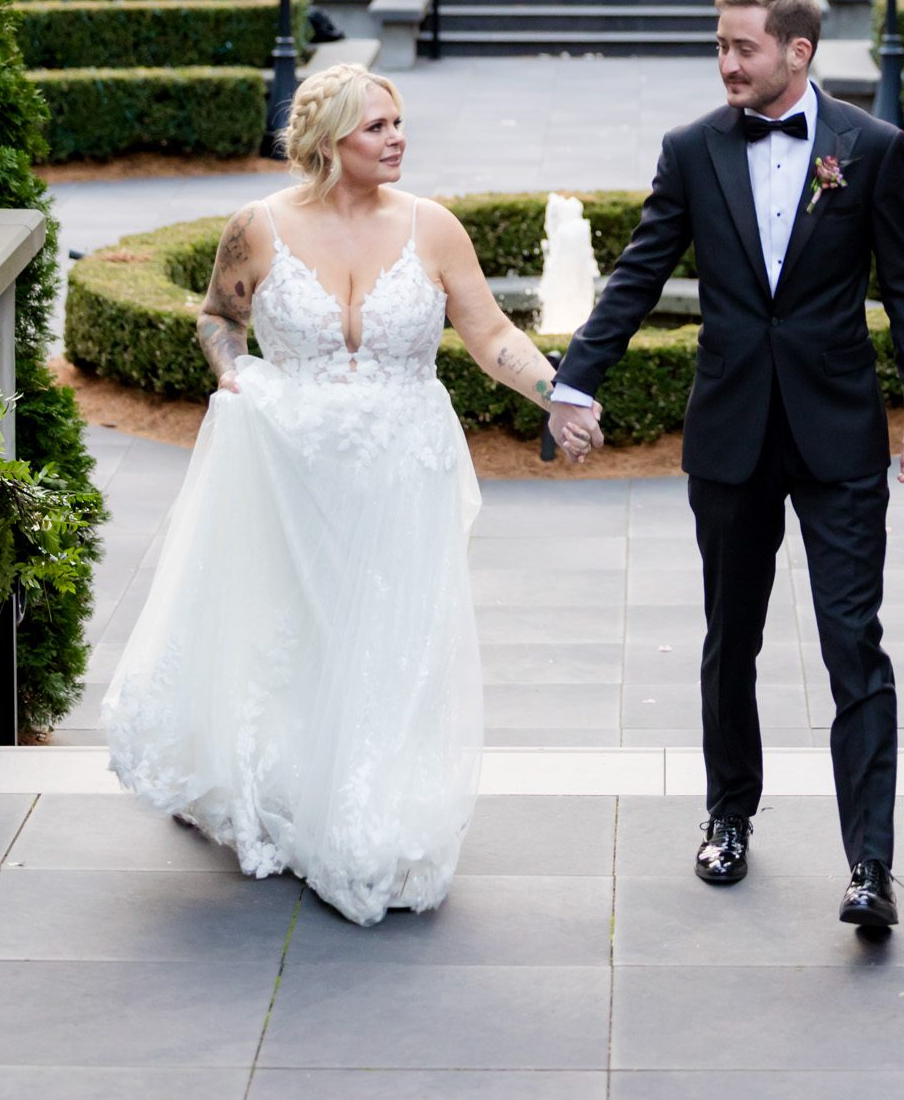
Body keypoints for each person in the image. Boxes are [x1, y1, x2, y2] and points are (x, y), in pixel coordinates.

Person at [101, 62, 601, 925]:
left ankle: (371, 805)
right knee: (297, 629)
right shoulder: (256, 228)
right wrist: (229, 378)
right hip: (289, 466)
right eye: (376, 127)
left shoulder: (434, 228)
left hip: (402, 469)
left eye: (398, 123)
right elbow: (220, 318)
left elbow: (487, 333)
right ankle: (287, 783)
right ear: (329, 140)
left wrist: (556, 394)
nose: (397, 138)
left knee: (389, 636)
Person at [548, 0, 904, 931]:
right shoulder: (692, 151)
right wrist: (576, 379)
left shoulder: (870, 148)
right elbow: (637, 274)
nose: (727, 63)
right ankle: (727, 816)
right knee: (732, 640)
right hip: (729, 435)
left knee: (855, 645)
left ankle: (869, 867)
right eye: (720, 47)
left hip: (838, 436)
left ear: (797, 53)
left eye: (744, 48)